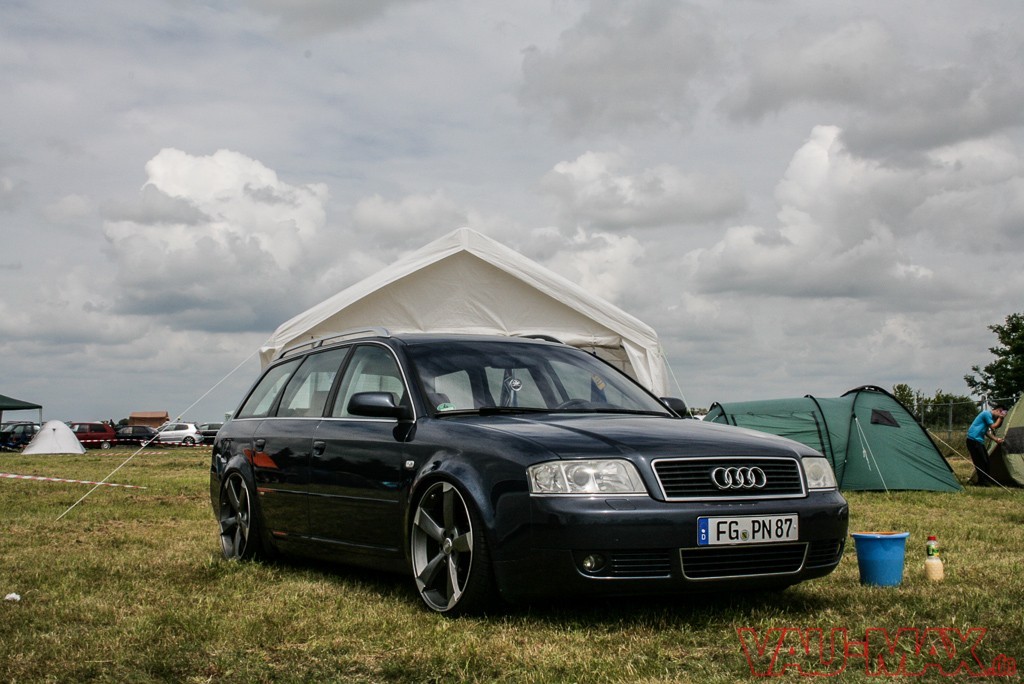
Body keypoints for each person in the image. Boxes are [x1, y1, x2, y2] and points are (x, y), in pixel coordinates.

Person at [966, 404, 1007, 486]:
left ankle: (984, 481)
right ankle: (982, 482)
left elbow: (986, 432)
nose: (998, 417)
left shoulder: (989, 417)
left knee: (986, 461)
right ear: (998, 410)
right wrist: (1001, 417)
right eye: (1001, 413)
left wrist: (996, 439)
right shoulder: (986, 414)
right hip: (973, 440)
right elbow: (993, 426)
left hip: (978, 441)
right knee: (980, 461)